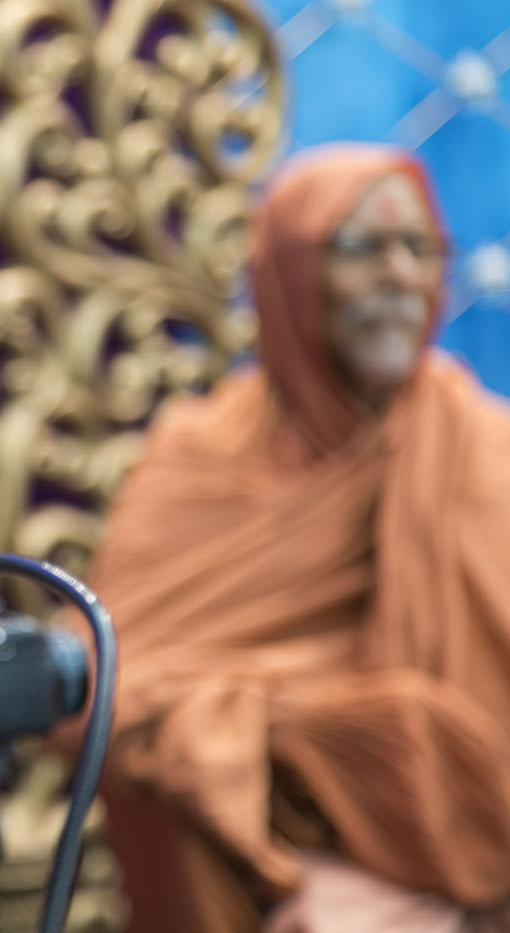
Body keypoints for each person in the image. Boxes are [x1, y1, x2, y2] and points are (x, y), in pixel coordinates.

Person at [81, 144, 510, 931]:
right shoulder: (198, 455)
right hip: (265, 848)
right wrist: (291, 726)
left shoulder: (485, 449)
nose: (401, 277)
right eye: (361, 248)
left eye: (420, 248)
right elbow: (107, 682)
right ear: (287, 274)